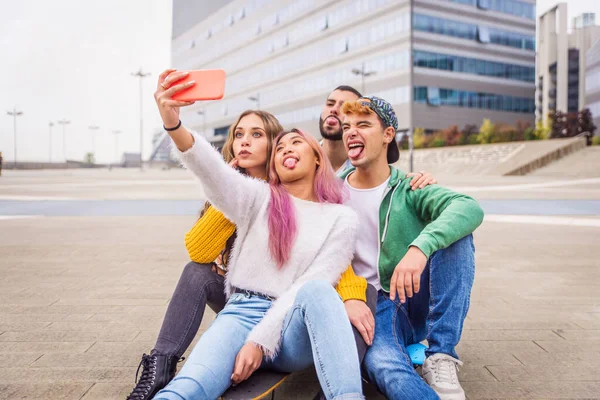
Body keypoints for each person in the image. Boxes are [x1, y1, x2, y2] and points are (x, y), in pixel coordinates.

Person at [151, 69, 364, 399]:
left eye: (296, 143)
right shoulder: (258, 198)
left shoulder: (340, 219)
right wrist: (174, 124)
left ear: (317, 157)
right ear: (274, 165)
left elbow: (306, 287)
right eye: (280, 148)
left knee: (319, 292)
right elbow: (212, 171)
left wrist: (258, 342)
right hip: (238, 314)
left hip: (292, 327)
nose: (286, 149)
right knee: (186, 388)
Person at [339, 96, 484, 400]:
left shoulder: (410, 187)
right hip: (369, 307)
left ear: (388, 135)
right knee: (383, 367)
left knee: (456, 234)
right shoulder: (329, 191)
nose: (351, 132)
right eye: (346, 126)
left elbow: (468, 208)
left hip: (411, 296)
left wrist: (420, 248)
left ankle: (441, 353)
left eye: (363, 124)